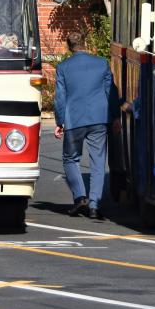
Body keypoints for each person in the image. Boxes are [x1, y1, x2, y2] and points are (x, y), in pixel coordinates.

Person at [53, 32, 119, 221]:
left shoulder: (63, 67)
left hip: (74, 120)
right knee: (98, 162)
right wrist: (115, 116)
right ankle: (95, 205)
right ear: (85, 43)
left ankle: (80, 197)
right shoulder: (101, 63)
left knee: (70, 159)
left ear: (68, 46)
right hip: (99, 118)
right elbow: (111, 91)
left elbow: (60, 98)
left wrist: (59, 122)